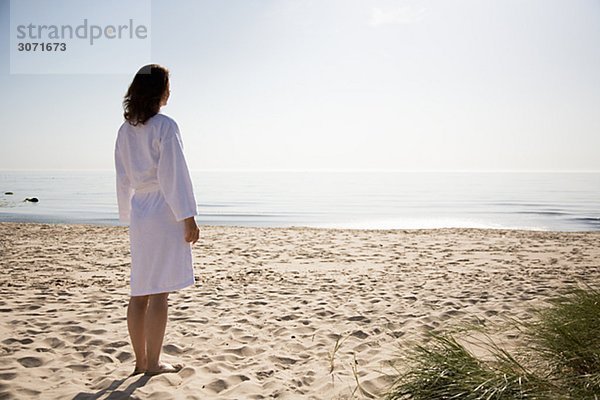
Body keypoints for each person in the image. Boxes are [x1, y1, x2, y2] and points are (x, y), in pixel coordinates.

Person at [115, 64, 199, 376]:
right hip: (164, 210)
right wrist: (188, 217)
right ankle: (153, 363)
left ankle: (140, 363)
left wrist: (126, 213)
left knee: (139, 290)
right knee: (160, 291)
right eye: (167, 86)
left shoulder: (125, 130)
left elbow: (122, 176)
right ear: (158, 92)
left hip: (141, 211)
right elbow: (174, 174)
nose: (169, 92)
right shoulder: (165, 125)